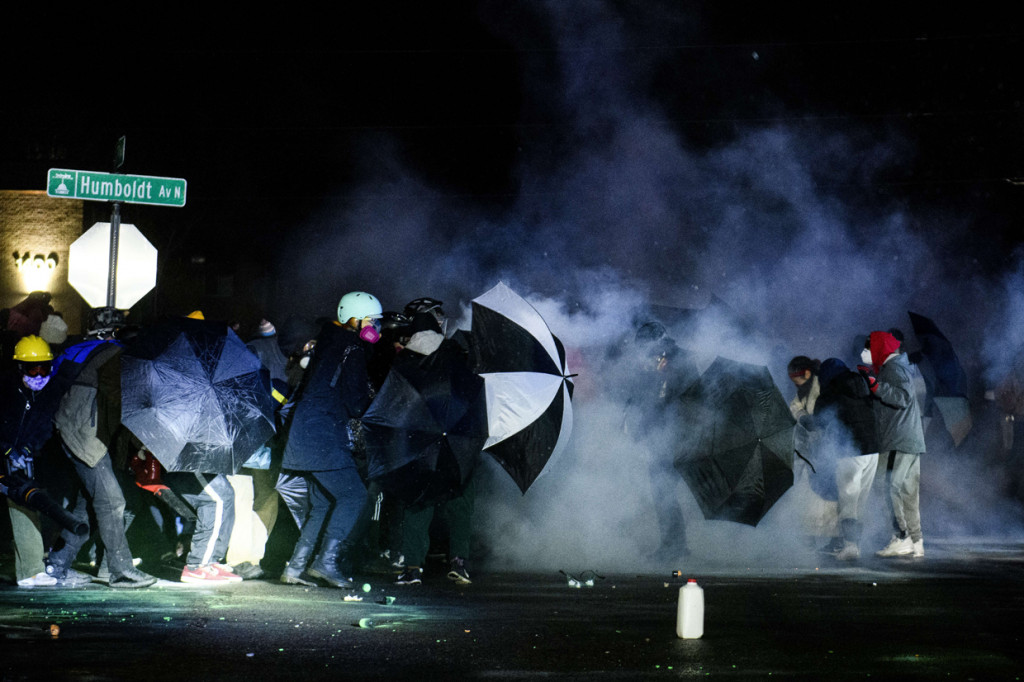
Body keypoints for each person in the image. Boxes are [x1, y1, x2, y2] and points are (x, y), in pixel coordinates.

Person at [45, 307, 157, 588]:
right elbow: (121, 404)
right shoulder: (114, 354)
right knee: (112, 501)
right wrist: (139, 443)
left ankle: (57, 564)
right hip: (86, 433)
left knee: (88, 505)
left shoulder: (77, 350)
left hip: (69, 428)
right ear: (115, 331)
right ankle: (120, 571)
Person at [278, 292, 381, 588]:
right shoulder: (352, 347)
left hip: (306, 433)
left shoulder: (328, 342)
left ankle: (295, 568)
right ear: (355, 319)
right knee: (354, 495)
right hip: (324, 435)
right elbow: (355, 402)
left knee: (323, 503)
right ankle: (325, 562)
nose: (375, 327)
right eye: (372, 321)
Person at [391, 305, 478, 586]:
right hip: (457, 437)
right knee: (460, 501)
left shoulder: (404, 360)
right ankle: (460, 563)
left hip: (421, 440)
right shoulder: (456, 354)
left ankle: (413, 567)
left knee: (418, 503)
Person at [1, 335, 90, 587]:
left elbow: (42, 428)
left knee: (25, 502)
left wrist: (26, 449)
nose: (39, 375)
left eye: (45, 368)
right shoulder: (5, 390)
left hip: (17, 463)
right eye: (33, 369)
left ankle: (30, 570)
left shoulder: (45, 395)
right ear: (20, 368)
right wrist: (8, 451)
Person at [861, 331, 927, 558]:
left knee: (886, 486)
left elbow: (903, 398)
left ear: (880, 349)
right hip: (909, 439)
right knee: (908, 493)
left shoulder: (893, 369)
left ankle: (901, 537)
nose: (865, 353)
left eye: (868, 348)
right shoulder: (899, 367)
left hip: (897, 440)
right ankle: (916, 541)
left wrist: (876, 387)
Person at [812, 358, 880, 560]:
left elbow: (819, 419)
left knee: (848, 500)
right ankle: (852, 543)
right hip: (873, 449)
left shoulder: (831, 390)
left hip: (851, 450)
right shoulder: (862, 384)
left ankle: (850, 547)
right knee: (860, 501)